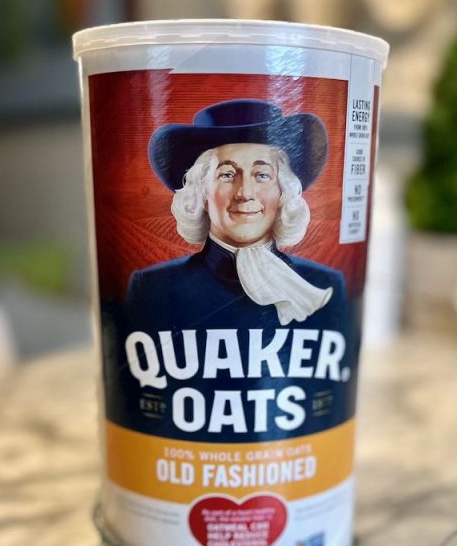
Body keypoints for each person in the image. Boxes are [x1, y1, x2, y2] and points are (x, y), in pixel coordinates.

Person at [106, 100, 356, 439]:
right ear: (201, 193)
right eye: (227, 174)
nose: (245, 193)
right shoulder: (153, 288)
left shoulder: (323, 286)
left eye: (262, 175)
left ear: (283, 193)